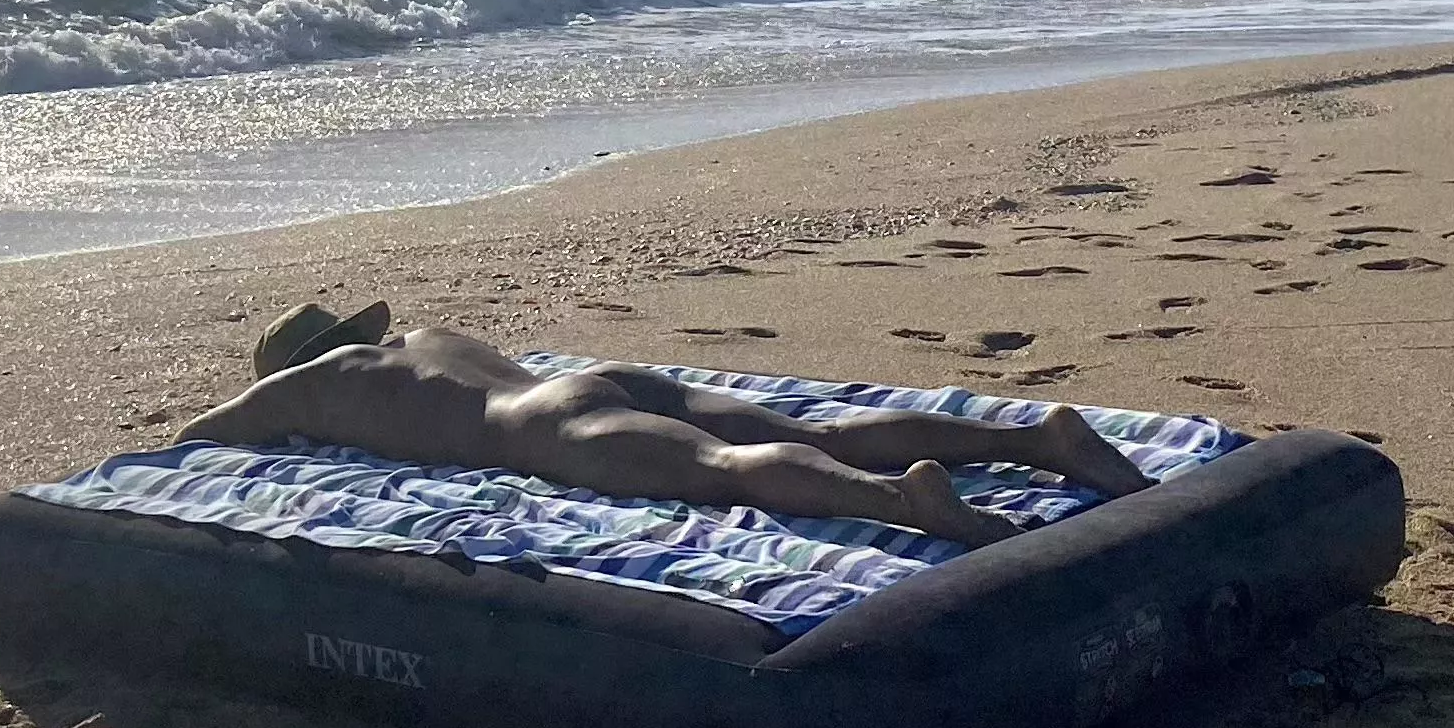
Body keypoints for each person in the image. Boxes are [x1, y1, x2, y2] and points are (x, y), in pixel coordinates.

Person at [174, 301, 1153, 547]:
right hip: (606, 376)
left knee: (726, 468)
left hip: (536, 423)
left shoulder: (315, 382)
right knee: (825, 425)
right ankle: (1038, 442)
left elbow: (199, 440)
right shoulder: (432, 334)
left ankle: (901, 504)